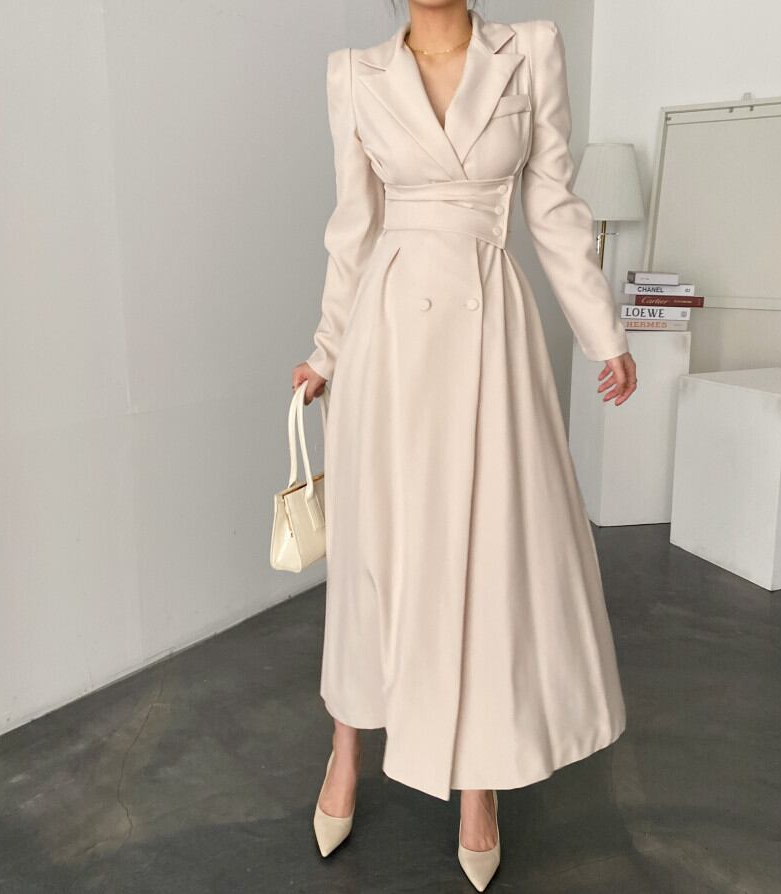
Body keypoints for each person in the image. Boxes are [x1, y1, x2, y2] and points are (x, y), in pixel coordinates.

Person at [291, 1, 637, 889]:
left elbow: (553, 202)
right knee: (376, 551)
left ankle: (479, 781)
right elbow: (353, 227)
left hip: (489, 331)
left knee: (488, 555)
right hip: (389, 339)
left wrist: (603, 331)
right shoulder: (354, 73)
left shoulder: (532, 51)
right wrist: (327, 351)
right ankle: (346, 749)